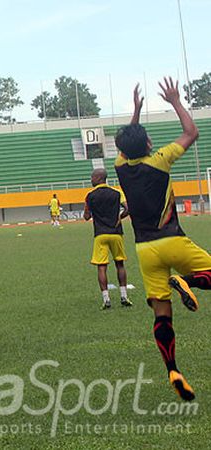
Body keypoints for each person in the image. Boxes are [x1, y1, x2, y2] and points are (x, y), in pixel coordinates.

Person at [115, 79, 206, 401]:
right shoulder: (161, 160)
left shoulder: (121, 168)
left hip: (145, 250)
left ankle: (173, 369)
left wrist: (136, 109)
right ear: (150, 145)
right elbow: (191, 132)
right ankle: (184, 280)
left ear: (122, 150)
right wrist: (176, 101)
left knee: (162, 315)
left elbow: (128, 144)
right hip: (172, 240)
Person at [83, 169, 132, 310]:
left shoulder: (90, 196)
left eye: (92, 177)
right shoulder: (117, 193)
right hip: (116, 233)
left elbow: (86, 217)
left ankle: (106, 299)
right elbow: (128, 209)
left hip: (100, 235)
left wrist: (88, 210)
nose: (91, 179)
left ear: (99, 178)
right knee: (120, 264)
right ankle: (124, 296)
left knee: (102, 267)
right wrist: (119, 218)